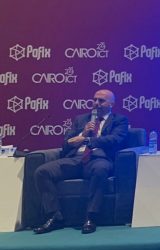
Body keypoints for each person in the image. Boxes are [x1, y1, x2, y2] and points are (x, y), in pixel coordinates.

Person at [33, 89, 129, 234]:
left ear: (111, 104)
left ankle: (91, 217)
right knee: (42, 172)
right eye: (94, 100)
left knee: (100, 169)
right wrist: (83, 132)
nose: (96, 103)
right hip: (75, 159)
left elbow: (115, 139)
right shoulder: (81, 119)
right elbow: (66, 143)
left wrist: (87, 139)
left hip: (99, 158)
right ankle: (54, 216)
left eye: (101, 101)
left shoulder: (119, 120)